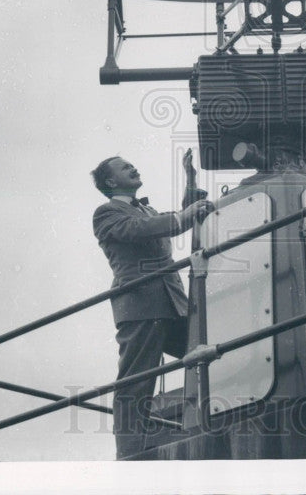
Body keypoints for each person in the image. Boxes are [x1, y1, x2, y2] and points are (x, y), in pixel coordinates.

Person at [90, 149, 214, 459]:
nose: (133, 167)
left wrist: (190, 178)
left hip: (173, 303)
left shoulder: (147, 211)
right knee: (137, 379)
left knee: (209, 351)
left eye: (132, 163)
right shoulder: (106, 214)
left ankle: (213, 419)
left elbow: (179, 219)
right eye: (124, 167)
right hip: (141, 303)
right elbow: (140, 230)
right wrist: (182, 216)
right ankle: (130, 454)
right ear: (110, 181)